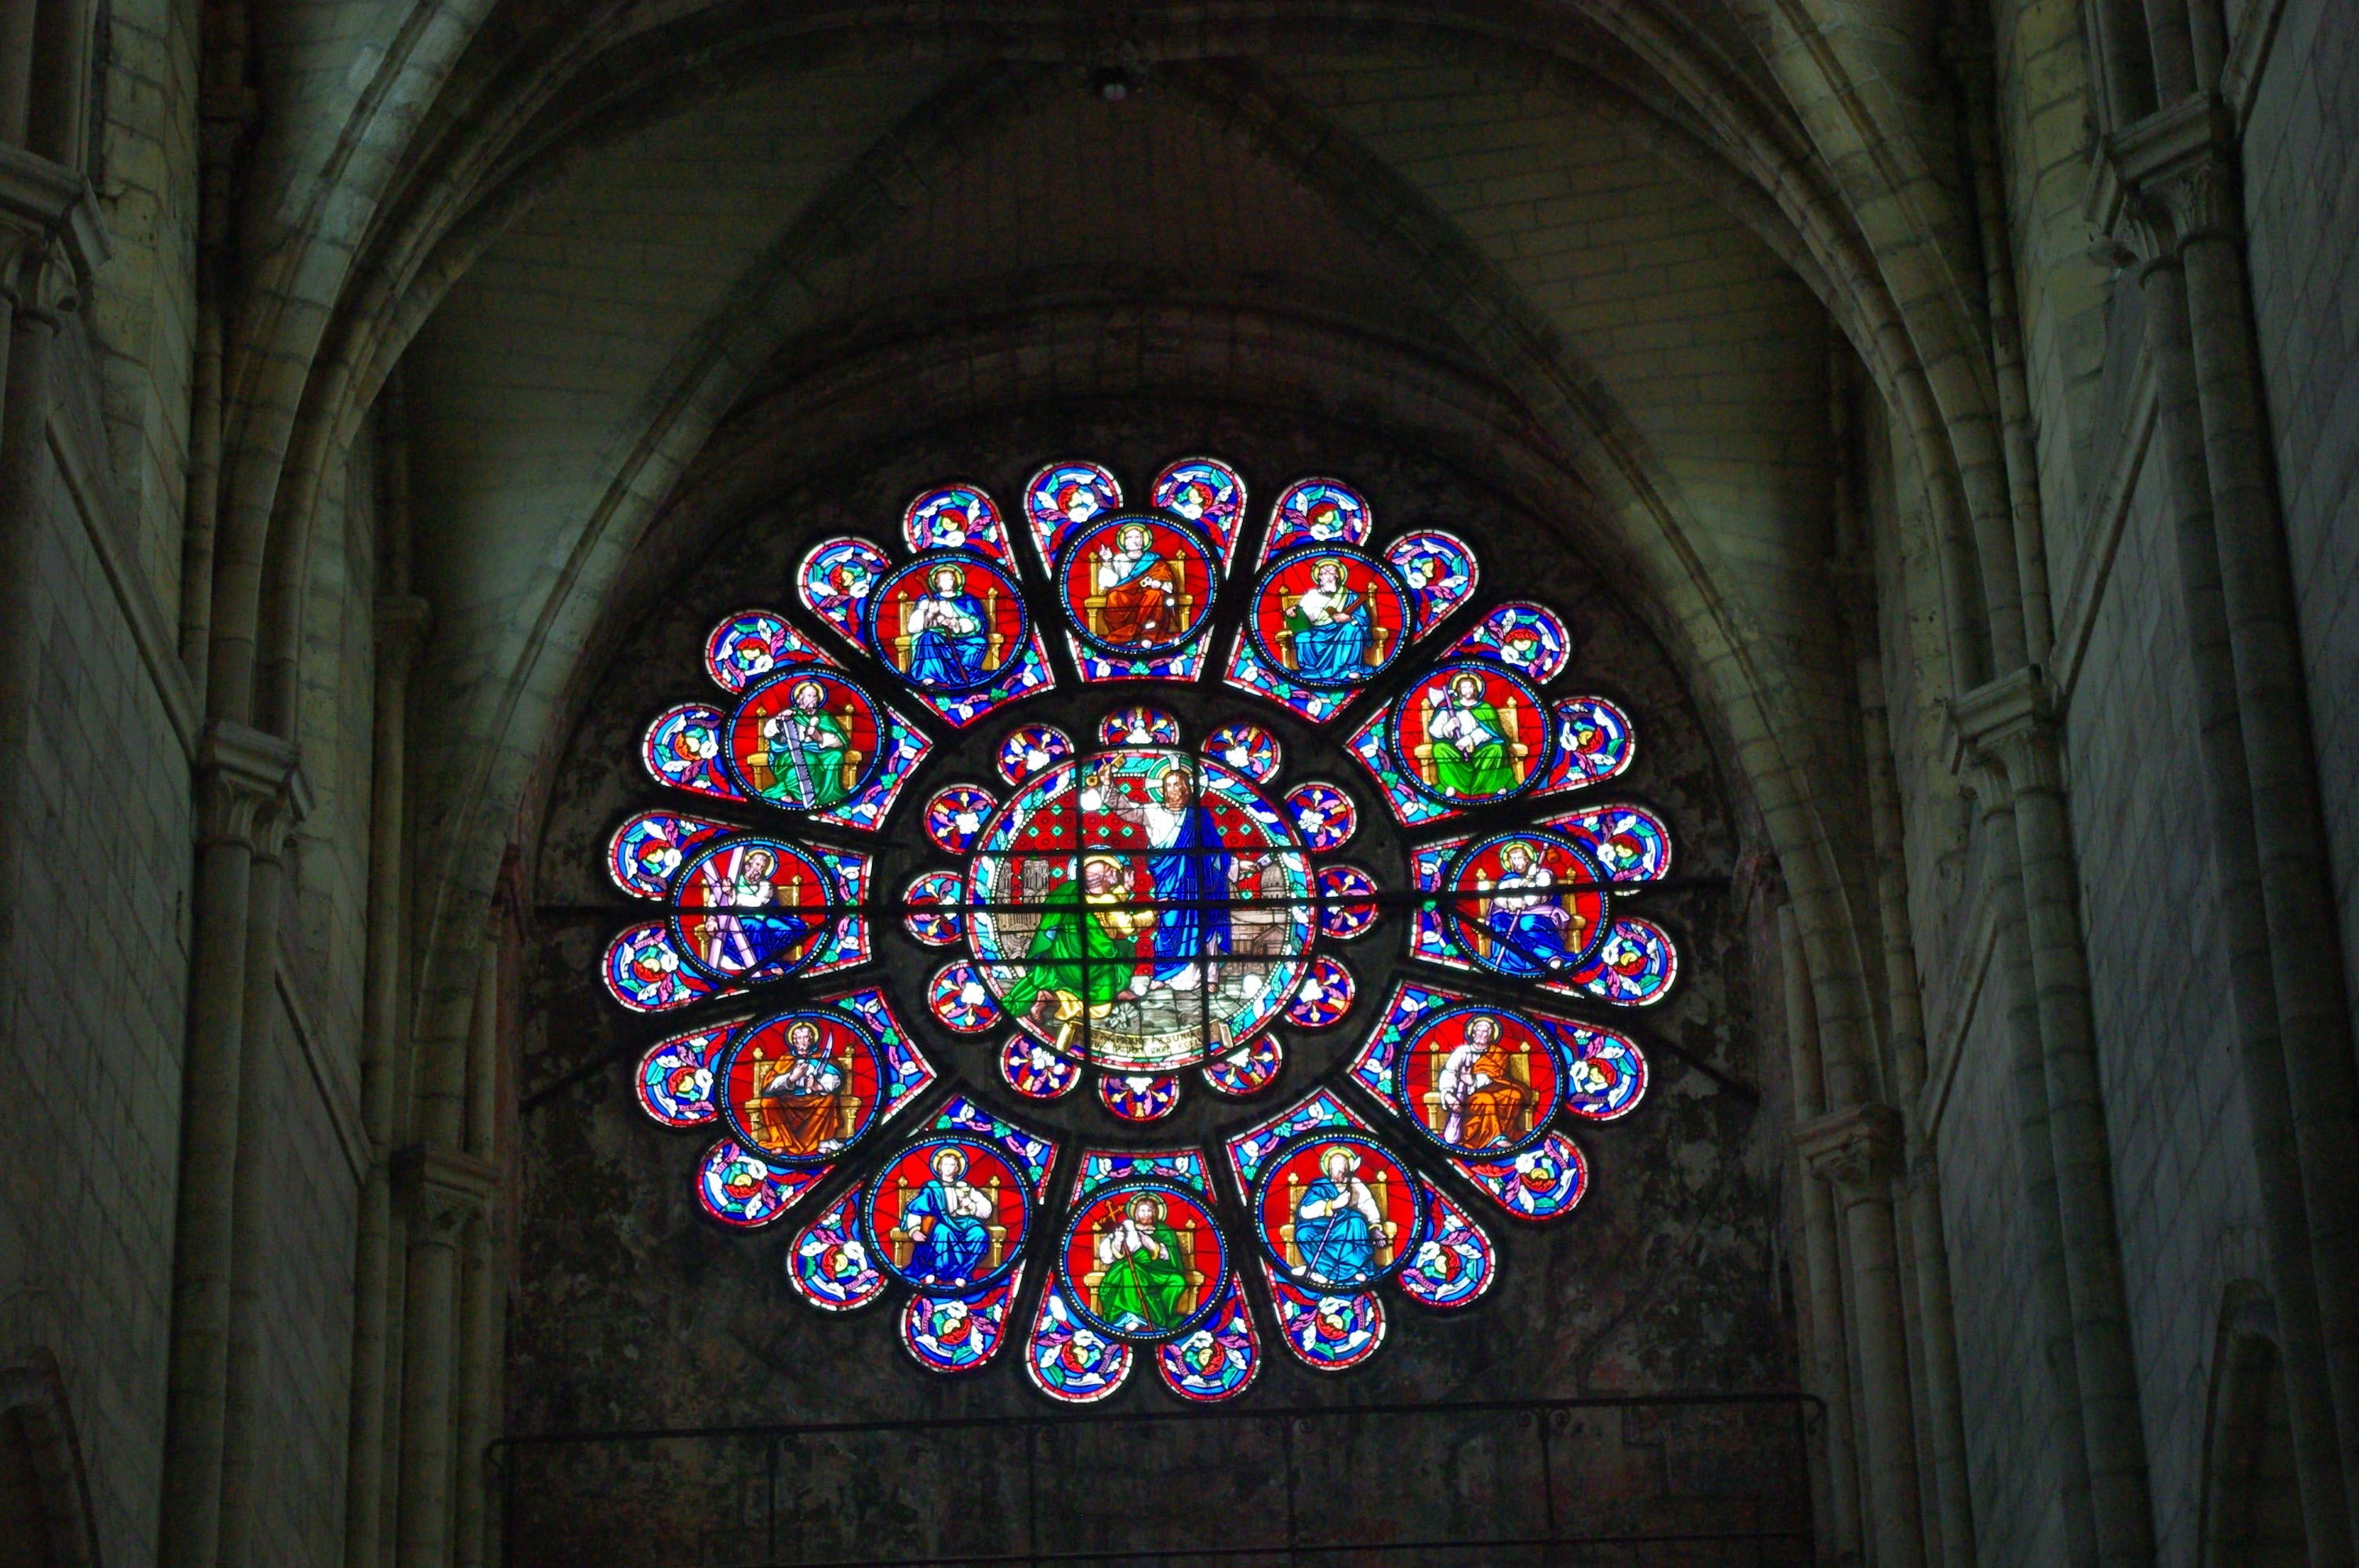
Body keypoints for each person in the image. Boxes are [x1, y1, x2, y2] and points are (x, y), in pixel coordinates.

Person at [1090, 764, 1230, 990]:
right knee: (1168, 924)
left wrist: (1233, 866)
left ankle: (1209, 977)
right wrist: (1108, 785)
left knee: (1204, 923)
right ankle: (1164, 974)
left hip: (1199, 882)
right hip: (1169, 881)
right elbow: (1126, 810)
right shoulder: (1154, 811)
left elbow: (1215, 849)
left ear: (1187, 788)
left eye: (1177, 784)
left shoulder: (1199, 816)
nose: (1172, 789)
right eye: (1167, 785)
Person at [994, 854, 1156, 1041]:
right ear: (1103, 878)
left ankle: (1107, 990)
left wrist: (1124, 889)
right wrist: (1151, 915)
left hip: (1064, 963)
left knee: (1119, 950)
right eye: (1112, 871)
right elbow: (1128, 927)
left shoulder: (1073, 895)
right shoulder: (1109, 902)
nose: (1117, 874)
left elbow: (1108, 899)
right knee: (1103, 1002)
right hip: (1095, 967)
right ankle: (1051, 998)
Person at [1478, 840, 1588, 975]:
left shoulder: (1544, 874)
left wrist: (1530, 880)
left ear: (1527, 859)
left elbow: (1534, 898)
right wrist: (1510, 903)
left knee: (1528, 923)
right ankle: (1528, 960)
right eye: (1513, 859)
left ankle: (1548, 957)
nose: (1516, 863)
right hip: (1511, 913)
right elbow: (1499, 897)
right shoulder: (1508, 878)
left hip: (1541, 913)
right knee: (1498, 920)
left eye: (1519, 858)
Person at [1092, 1192, 1192, 1331]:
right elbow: (1112, 1256)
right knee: (1129, 1271)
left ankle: (1160, 1318)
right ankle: (1131, 1316)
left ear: (1155, 1212)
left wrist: (1153, 1246)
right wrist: (1119, 1240)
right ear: (1135, 1213)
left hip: (1158, 1272)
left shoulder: (1165, 1231)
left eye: (1149, 1210)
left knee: (1178, 1281)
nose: (1146, 1214)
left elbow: (1173, 1256)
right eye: (1142, 1210)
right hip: (1130, 1267)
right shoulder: (1126, 1229)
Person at [902, 1147, 998, 1287]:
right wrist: (914, 1230)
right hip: (940, 1223)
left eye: (952, 1165)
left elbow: (986, 1211)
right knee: (943, 1232)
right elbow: (916, 1210)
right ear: (939, 1167)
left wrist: (971, 1205)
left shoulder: (964, 1187)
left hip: (963, 1222)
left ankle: (963, 1273)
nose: (948, 1168)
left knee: (980, 1234)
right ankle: (937, 1271)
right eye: (945, 1164)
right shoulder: (932, 1189)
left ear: (957, 1168)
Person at [1434, 1014, 1532, 1149]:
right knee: (1486, 1099)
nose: (1481, 1034)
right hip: (1467, 1096)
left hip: (1494, 1089)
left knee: (1515, 1095)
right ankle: (1492, 1137)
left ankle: (1506, 1133)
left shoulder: (1499, 1053)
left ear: (1491, 1036)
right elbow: (1449, 1072)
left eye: (1485, 1031)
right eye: (1478, 1030)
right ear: (1472, 1034)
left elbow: (1497, 1076)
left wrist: (1473, 1080)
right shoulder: (1462, 1051)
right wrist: (1448, 1095)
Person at [1291, 1145, 1383, 1288]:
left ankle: (1349, 1271)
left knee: (1356, 1221)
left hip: (1344, 1224)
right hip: (1319, 1226)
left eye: (1342, 1166)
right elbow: (1305, 1212)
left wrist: (1376, 1227)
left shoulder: (1355, 1185)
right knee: (1303, 1234)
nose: (1339, 1170)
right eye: (1335, 1166)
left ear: (1348, 1167)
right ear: (1328, 1168)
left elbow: (1368, 1206)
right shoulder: (1319, 1185)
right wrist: (1333, 1204)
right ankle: (1324, 1271)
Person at [1425, 670, 1521, 796]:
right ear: (1458, 690)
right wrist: (1447, 728)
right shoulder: (1450, 708)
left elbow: (1492, 731)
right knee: (1439, 748)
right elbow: (1434, 731)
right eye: (1464, 687)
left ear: (1476, 688)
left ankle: (1494, 785)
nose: (1467, 690)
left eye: (1470, 686)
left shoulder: (1485, 708)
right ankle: (1452, 784)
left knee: (1497, 749)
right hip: (1456, 751)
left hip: (1482, 750)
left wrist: (1471, 739)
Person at [760, 677, 852, 808]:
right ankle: (784, 791)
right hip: (788, 755)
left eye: (815, 697)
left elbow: (842, 742)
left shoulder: (824, 716)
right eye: (809, 696)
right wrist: (781, 722)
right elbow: (770, 732)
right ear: (800, 698)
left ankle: (828, 797)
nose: (813, 700)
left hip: (819, 753)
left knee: (836, 756)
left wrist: (820, 738)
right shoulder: (790, 714)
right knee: (808, 759)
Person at [758, 1020, 845, 1156]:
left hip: (816, 1098)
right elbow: (768, 1087)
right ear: (793, 1040)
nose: (802, 1041)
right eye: (799, 1038)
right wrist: (791, 1078)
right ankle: (780, 1142)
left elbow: (837, 1078)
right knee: (767, 1102)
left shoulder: (823, 1057)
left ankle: (824, 1141)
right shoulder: (786, 1059)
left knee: (831, 1099)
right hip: (789, 1100)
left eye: (806, 1037)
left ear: (812, 1039)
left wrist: (818, 1085)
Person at [1090, 522, 1186, 645]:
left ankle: (1147, 635)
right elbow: (1108, 583)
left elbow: (1168, 585)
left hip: (1147, 596)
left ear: (1144, 541)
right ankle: (1126, 632)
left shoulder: (1154, 559)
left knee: (1155, 594)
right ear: (1124, 542)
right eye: (1130, 537)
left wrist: (1159, 583)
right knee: (1114, 595)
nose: (1134, 541)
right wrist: (1108, 562)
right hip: (1125, 596)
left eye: (1138, 537)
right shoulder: (1119, 559)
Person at [902, 564, 993, 686]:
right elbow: (914, 627)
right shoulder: (927, 600)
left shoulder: (967, 599)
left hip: (963, 639)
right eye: (943, 580)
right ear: (937, 583)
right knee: (927, 638)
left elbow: (979, 624)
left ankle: (965, 672)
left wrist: (954, 623)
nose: (947, 583)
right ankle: (930, 674)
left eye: (950, 579)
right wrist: (930, 613)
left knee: (981, 642)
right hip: (939, 639)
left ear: (955, 581)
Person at [1285, 557, 1373, 680]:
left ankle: (1350, 668)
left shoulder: (1350, 596)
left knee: (1353, 629)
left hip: (1340, 630)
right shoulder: (1311, 595)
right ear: (1319, 577)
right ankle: (1311, 669)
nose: (1328, 576)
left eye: (1332, 572)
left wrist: (1350, 619)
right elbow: (1301, 617)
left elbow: (1364, 619)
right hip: (1316, 631)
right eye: (1324, 573)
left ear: (1338, 576)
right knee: (1302, 637)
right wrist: (1292, 613)